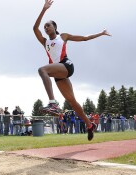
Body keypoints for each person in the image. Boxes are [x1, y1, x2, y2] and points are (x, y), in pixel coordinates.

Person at [33, 0, 110, 140]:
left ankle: (53, 103)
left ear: (55, 27)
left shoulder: (63, 37)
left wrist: (101, 33)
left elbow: (85, 38)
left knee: (42, 70)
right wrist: (43, 10)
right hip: (58, 73)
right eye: (44, 27)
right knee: (72, 102)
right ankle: (89, 124)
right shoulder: (45, 42)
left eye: (48, 25)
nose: (46, 28)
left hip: (66, 65)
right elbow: (34, 28)